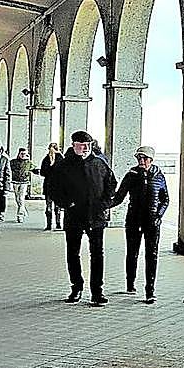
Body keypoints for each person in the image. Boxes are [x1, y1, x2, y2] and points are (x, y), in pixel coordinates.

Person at [51, 130, 117, 305]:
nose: (85, 148)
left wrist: (105, 203)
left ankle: (97, 292)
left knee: (97, 254)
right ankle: (76, 287)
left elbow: (111, 184)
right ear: (74, 146)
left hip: (96, 217)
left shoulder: (99, 163)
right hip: (74, 216)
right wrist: (66, 203)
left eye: (87, 145)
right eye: (81, 145)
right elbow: (53, 189)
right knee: (73, 253)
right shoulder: (64, 166)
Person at [108, 145, 169, 304]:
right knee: (132, 252)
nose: (141, 161)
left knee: (152, 255)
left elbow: (165, 199)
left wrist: (159, 216)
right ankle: (130, 283)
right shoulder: (132, 175)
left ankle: (150, 290)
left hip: (152, 222)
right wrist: (104, 205)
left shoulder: (159, 176)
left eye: (145, 158)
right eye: (139, 158)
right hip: (134, 219)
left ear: (151, 159)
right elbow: (119, 197)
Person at [39, 142, 64, 231]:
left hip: (54, 186)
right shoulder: (48, 159)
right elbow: (42, 172)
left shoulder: (59, 158)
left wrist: (51, 165)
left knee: (54, 206)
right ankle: (53, 224)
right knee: (52, 206)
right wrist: (51, 165)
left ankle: (54, 224)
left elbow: (43, 172)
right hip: (52, 186)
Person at [9, 148, 34, 222]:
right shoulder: (13, 162)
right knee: (17, 198)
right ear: (19, 154)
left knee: (21, 197)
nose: (23, 155)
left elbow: (34, 169)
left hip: (24, 182)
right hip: (15, 181)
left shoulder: (28, 162)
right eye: (21, 154)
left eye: (24, 154)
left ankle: (20, 215)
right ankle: (23, 209)